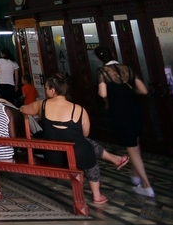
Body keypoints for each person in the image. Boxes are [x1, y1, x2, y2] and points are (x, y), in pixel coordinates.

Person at [20, 72, 129, 205]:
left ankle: (115, 159)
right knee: (89, 154)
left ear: (52, 91)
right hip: (77, 156)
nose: (46, 91)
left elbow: (24, 109)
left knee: (87, 145)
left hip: (53, 156)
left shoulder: (41, 105)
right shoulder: (79, 109)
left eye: (47, 89)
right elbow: (85, 133)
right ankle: (97, 195)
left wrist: (21, 107)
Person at [94, 46, 154, 196]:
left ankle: (147, 185)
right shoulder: (128, 68)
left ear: (99, 58)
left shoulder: (103, 72)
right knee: (136, 142)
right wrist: (129, 92)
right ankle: (135, 177)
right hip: (136, 109)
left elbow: (102, 93)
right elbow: (144, 90)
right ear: (113, 54)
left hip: (120, 112)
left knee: (131, 147)